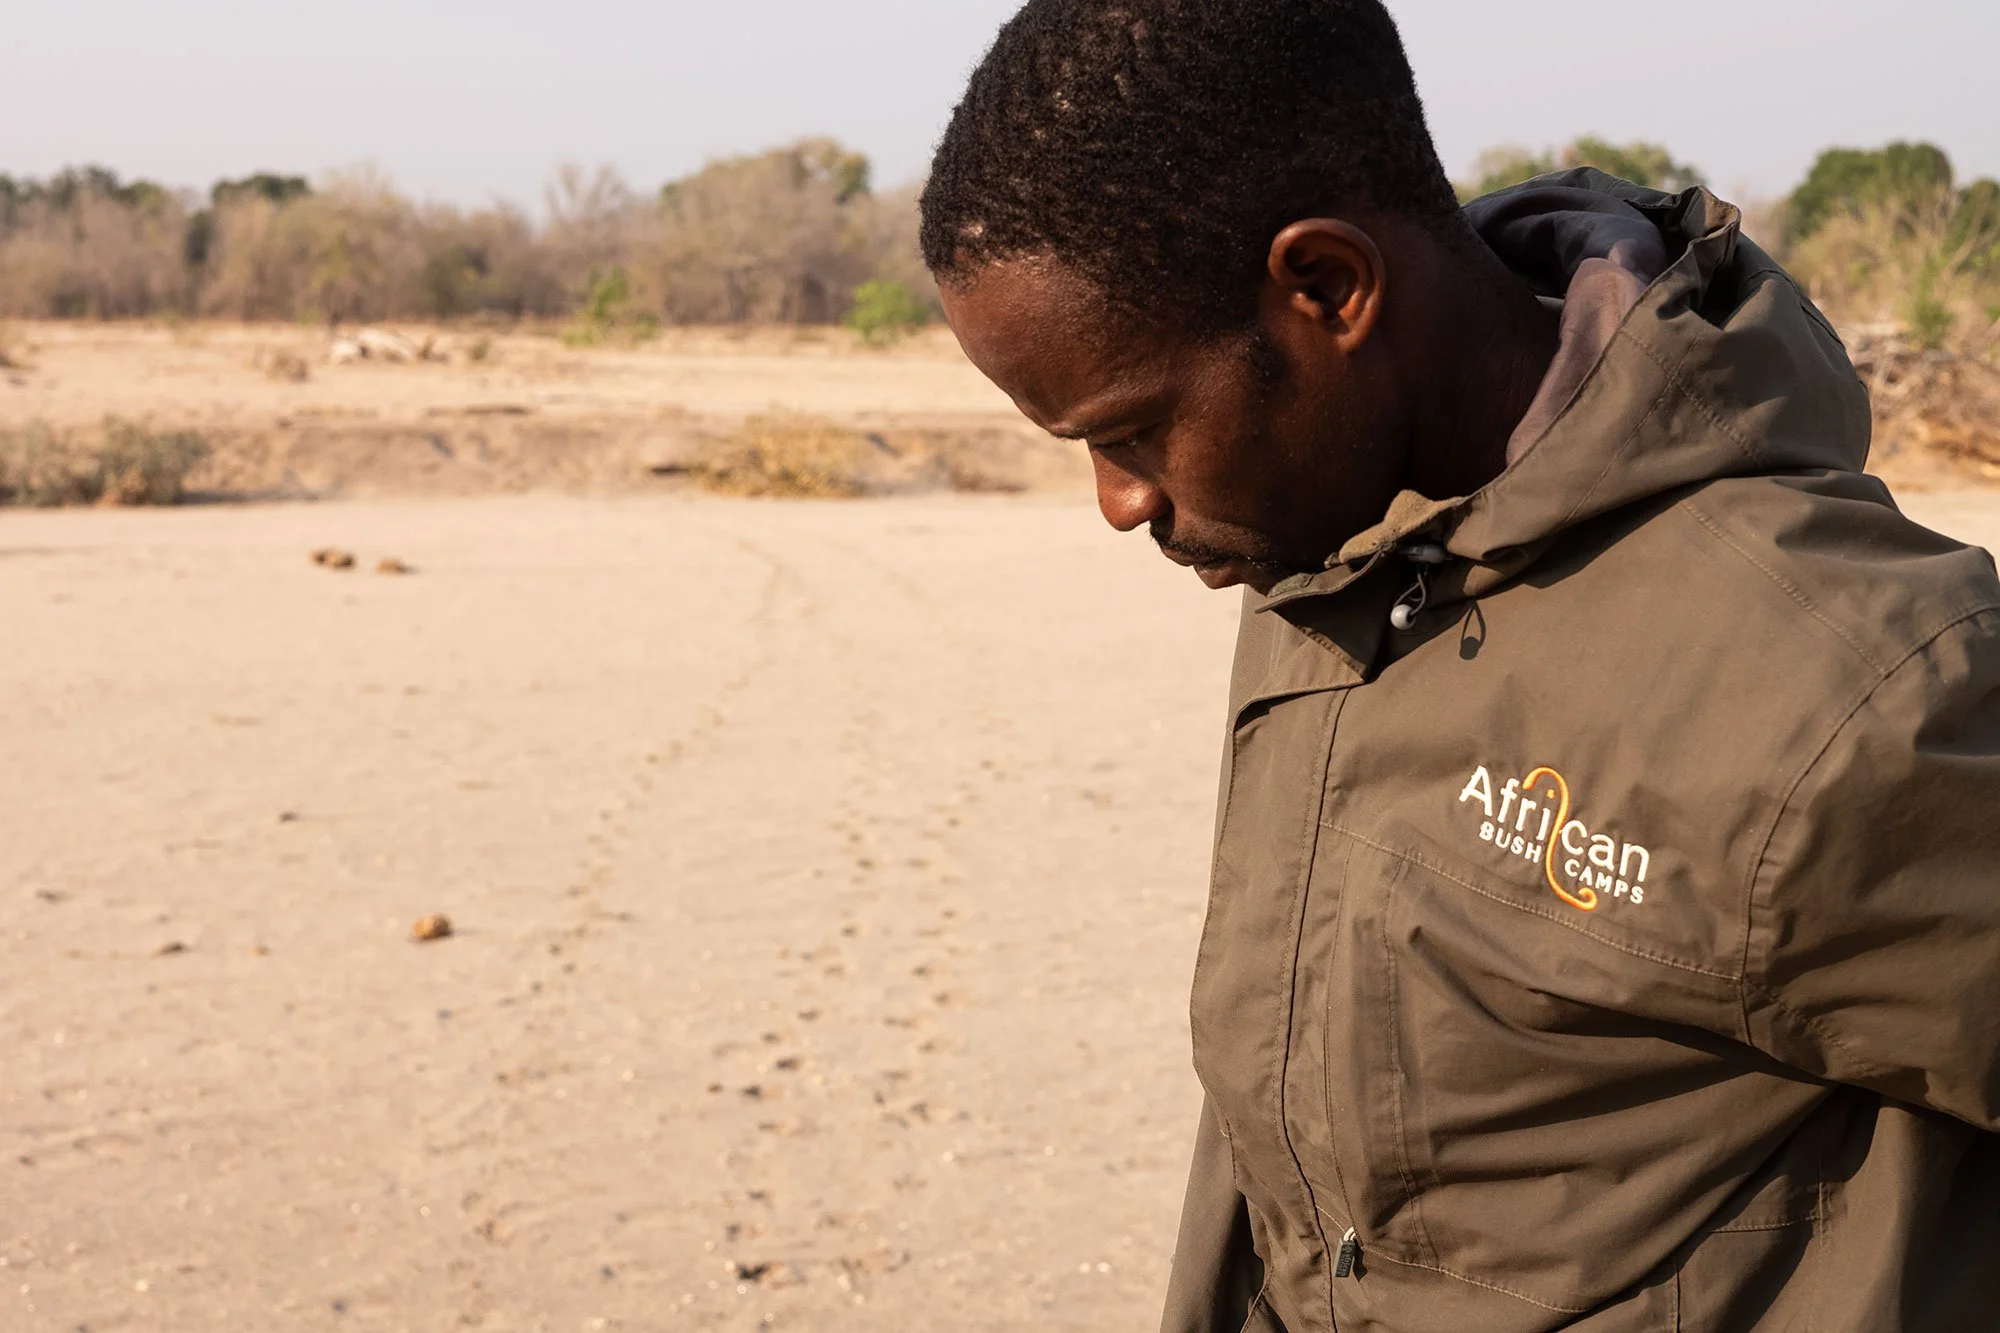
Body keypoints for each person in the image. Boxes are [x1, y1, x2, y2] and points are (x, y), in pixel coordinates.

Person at [917, 2, 2000, 1330]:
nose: (1117, 504)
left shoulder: (1847, 697)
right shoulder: (1325, 566)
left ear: (1327, 290)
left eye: (1131, 431)